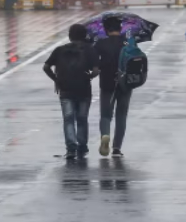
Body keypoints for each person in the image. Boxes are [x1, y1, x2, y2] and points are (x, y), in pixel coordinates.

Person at [43, 24, 99, 160]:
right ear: (84, 35)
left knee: (68, 119)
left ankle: (71, 148)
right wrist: (90, 76)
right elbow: (97, 70)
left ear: (70, 36)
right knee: (82, 118)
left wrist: (56, 79)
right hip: (84, 89)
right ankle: (82, 146)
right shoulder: (89, 50)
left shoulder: (59, 50)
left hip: (65, 89)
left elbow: (46, 67)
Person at [93, 17, 131, 158]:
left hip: (107, 82)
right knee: (121, 116)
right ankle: (117, 148)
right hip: (126, 83)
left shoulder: (100, 44)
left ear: (106, 29)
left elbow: (95, 64)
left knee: (106, 115)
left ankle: (105, 135)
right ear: (120, 28)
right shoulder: (127, 43)